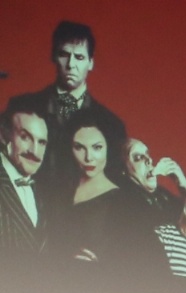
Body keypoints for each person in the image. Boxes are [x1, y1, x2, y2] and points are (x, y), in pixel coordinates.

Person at [14, 21, 124, 193]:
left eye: (79, 57)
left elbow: (117, 188)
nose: (71, 64)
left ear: (91, 63)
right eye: (64, 55)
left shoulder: (112, 125)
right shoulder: (21, 107)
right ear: (54, 57)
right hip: (28, 205)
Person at [55, 108, 122, 264]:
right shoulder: (59, 191)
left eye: (97, 147)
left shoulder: (119, 199)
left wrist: (100, 266)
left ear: (108, 147)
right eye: (79, 147)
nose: (88, 157)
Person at [0, 101, 50, 257]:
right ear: (3, 135)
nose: (34, 151)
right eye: (25, 137)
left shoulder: (44, 189)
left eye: (41, 142)